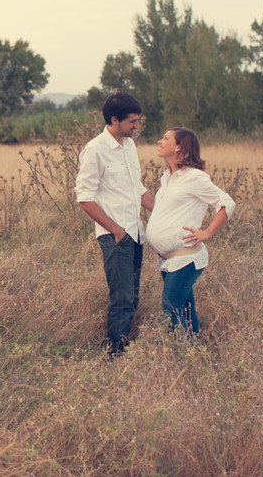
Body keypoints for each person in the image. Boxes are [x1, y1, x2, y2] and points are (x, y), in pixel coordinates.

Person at [75, 92, 155, 357]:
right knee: (121, 299)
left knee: (132, 297)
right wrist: (116, 230)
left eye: (138, 121)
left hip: (136, 233)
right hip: (115, 236)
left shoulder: (129, 145)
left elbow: (138, 189)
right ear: (114, 119)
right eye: (132, 122)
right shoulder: (95, 150)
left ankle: (124, 349)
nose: (137, 126)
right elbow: (84, 198)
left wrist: (165, 212)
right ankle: (114, 356)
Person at [146, 127, 234, 336]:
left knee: (170, 307)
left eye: (165, 139)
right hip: (168, 259)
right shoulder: (167, 178)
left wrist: (208, 232)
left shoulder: (195, 178)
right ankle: (192, 348)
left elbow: (226, 202)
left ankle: (179, 353)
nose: (160, 142)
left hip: (186, 258)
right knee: (184, 308)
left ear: (179, 147)